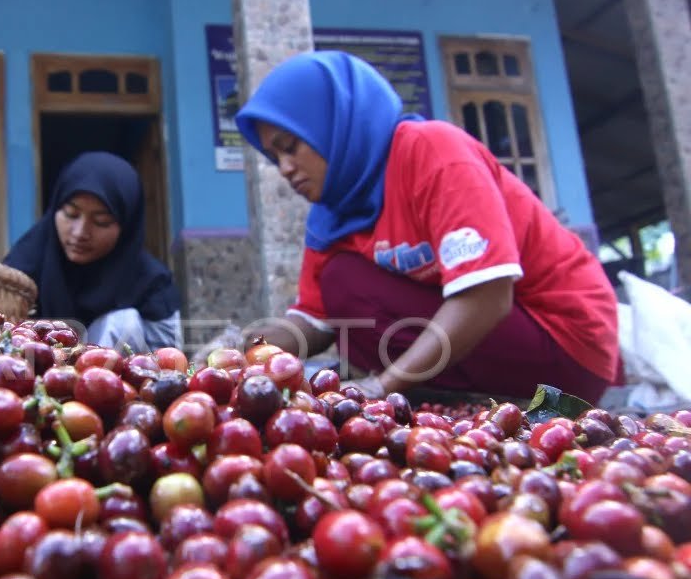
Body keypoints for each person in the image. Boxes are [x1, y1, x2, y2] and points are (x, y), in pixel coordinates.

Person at [233, 51, 619, 404]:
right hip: (495, 349)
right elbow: (316, 318)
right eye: (274, 157)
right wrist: (245, 354)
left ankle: (433, 394)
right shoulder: (332, 213)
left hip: (567, 350)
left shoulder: (432, 151)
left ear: (330, 124)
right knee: (342, 286)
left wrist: (382, 387)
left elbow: (487, 297)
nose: (284, 168)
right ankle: (448, 400)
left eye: (290, 147)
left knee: (345, 281)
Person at [3, 151, 182, 351]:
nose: (80, 233)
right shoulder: (24, 268)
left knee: (124, 324)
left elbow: (170, 366)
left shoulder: (151, 286)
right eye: (71, 214)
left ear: (126, 227)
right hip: (33, 378)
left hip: (113, 379)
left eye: (101, 221)